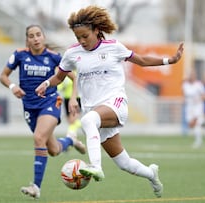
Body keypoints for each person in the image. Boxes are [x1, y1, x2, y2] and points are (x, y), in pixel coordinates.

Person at [36, 5, 184, 198]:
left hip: (115, 103)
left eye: (85, 36)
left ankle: (96, 166)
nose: (81, 41)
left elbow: (142, 60)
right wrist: (46, 83)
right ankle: (151, 174)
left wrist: (169, 61)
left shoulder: (113, 47)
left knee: (88, 120)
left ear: (96, 31)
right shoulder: (72, 53)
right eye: (77, 37)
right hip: (95, 110)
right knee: (123, 163)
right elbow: (59, 77)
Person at [0, 24, 86, 199]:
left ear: (43, 37)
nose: (35, 38)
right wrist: (13, 86)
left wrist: (74, 98)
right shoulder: (19, 55)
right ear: (27, 39)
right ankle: (71, 140)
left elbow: (74, 77)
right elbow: (3, 76)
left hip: (50, 102)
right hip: (29, 107)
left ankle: (36, 187)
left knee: (39, 137)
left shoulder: (54, 57)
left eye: (38, 35)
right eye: (31, 36)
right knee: (53, 150)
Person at [182, 70, 205, 148]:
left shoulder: (199, 84)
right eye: (190, 75)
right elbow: (184, 95)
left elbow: (204, 96)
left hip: (198, 107)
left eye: (193, 75)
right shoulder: (185, 85)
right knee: (191, 124)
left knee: (196, 123)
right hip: (189, 107)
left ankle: (198, 141)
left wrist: (198, 99)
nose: (191, 77)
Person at [57, 73, 82, 137]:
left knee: (72, 119)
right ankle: (82, 123)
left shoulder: (77, 72)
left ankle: (70, 135)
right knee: (69, 121)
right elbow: (60, 86)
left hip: (76, 98)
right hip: (66, 98)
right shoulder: (65, 73)